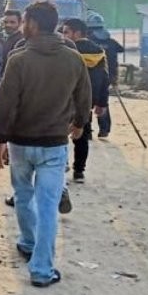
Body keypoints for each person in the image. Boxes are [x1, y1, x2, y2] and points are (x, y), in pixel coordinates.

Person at [0, 1, 92, 288]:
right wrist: (78, 124)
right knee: (48, 205)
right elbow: (83, 96)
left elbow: (6, 102)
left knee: (23, 195)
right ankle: (41, 269)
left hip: (20, 143)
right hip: (54, 144)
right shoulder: (73, 58)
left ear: (34, 25)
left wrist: (1, 138)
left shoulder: (19, 59)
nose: (22, 25)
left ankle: (27, 242)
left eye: (24, 21)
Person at [62, 18, 110, 184]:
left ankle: (62, 164)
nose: (63, 35)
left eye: (66, 32)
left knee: (60, 134)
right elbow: (105, 79)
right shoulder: (99, 52)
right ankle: (79, 171)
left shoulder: (67, 51)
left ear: (77, 33)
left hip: (66, 100)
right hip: (86, 102)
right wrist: (102, 103)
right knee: (81, 134)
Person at [86, 11, 123, 138]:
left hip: (91, 77)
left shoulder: (88, 42)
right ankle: (104, 129)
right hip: (109, 76)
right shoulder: (111, 42)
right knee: (103, 102)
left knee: (87, 102)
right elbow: (121, 50)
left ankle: (87, 131)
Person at [0, 9, 23, 117]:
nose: (8, 25)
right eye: (6, 22)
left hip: (12, 77)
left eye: (12, 22)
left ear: (19, 23)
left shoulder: (21, 40)